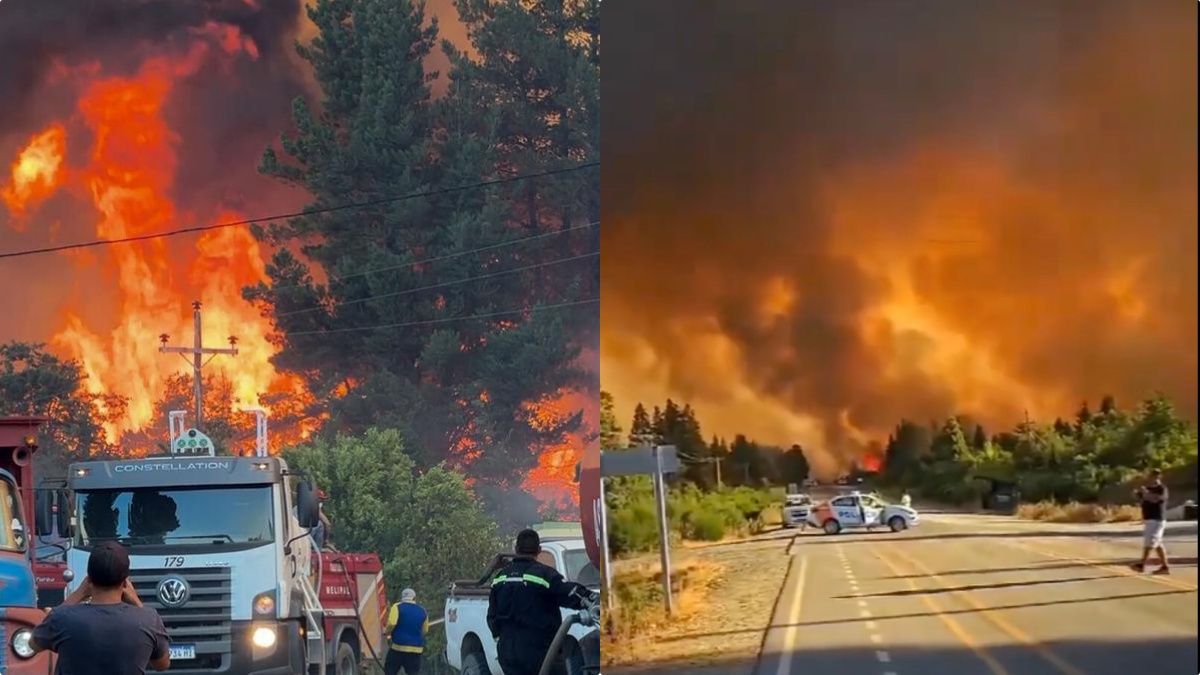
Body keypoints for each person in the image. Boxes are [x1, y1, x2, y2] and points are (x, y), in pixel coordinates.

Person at [31, 540, 172, 674]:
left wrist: (79, 594)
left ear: (89, 579)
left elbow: (33, 644)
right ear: (125, 583)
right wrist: (135, 600)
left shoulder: (62, 618)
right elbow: (162, 664)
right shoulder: (148, 620)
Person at [487, 529, 592, 675]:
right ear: (539, 550)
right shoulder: (545, 575)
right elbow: (569, 593)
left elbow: (492, 616)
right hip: (540, 653)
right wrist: (590, 598)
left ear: (516, 549)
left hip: (508, 653)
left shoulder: (500, 577)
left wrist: (502, 639)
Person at [1132, 469, 1171, 574]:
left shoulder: (1162, 489)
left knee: (1150, 543)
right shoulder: (1147, 488)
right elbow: (1140, 499)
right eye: (1152, 475)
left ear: (1159, 477)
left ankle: (1141, 564)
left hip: (1157, 519)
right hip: (1148, 519)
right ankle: (1165, 567)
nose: (1153, 477)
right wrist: (1137, 492)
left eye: (1156, 475)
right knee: (1157, 543)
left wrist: (1146, 493)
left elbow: (1157, 499)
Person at [384, 588, 429, 675]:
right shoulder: (422, 610)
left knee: (390, 670)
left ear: (402, 597)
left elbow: (392, 623)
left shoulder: (397, 607)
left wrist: (386, 631)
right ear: (414, 598)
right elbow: (425, 630)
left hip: (398, 648)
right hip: (416, 650)